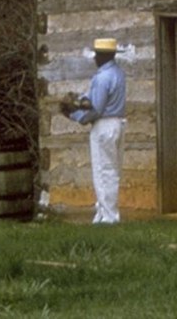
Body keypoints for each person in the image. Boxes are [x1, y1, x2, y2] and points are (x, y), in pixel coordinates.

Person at [61, 37, 127, 224]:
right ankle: (103, 212)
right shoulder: (119, 73)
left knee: (103, 170)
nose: (94, 58)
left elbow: (96, 108)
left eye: (97, 55)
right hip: (119, 123)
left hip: (104, 125)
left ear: (102, 56)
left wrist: (77, 117)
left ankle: (109, 217)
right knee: (113, 170)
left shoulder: (102, 77)